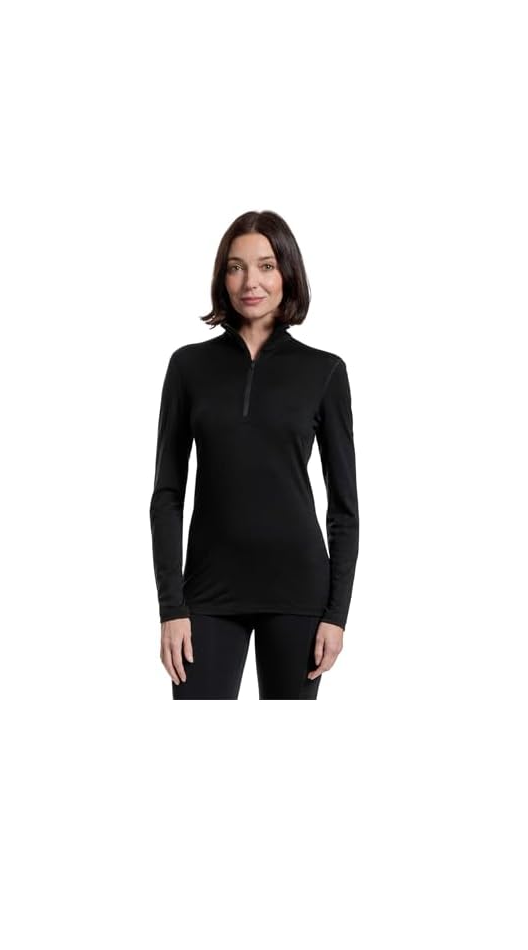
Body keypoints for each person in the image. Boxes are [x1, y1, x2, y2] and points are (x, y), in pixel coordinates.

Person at [149, 210, 360, 700]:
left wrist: (337, 615)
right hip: (206, 594)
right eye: (236, 267)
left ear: (288, 272)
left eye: (266, 266)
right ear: (222, 277)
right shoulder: (188, 367)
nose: (251, 282)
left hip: (299, 594)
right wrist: (171, 607)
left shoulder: (324, 372)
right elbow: (167, 496)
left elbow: (344, 509)